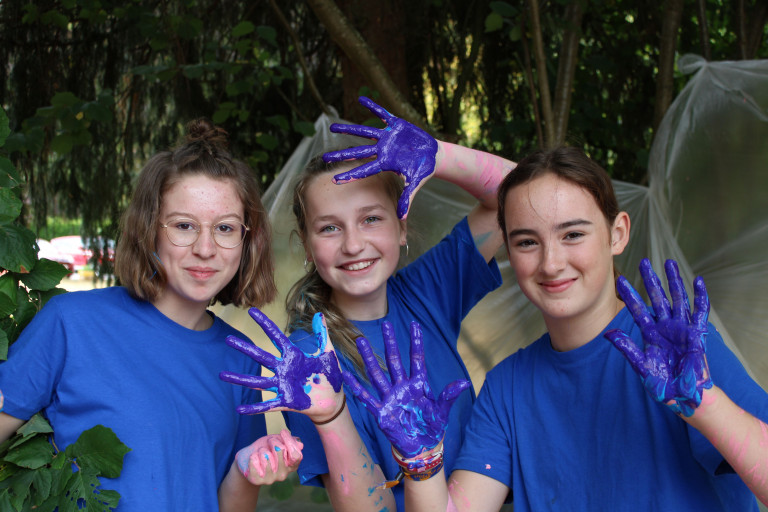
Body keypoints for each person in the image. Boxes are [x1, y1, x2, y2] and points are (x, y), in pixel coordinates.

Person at [344, 146, 768, 511]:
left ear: (617, 233)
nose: (550, 263)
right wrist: (421, 464)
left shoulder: (681, 355)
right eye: (527, 241)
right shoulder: (506, 387)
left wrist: (706, 405)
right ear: (508, 248)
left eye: (573, 235)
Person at [220, 96, 516, 511]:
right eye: (329, 228)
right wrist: (331, 414)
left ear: (401, 226)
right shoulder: (307, 360)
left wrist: (439, 155)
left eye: (371, 219)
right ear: (306, 244)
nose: (354, 244)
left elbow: (520, 198)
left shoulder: (428, 290)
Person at [0, 119, 302, 511]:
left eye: (225, 228)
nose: (206, 248)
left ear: (246, 241)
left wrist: (248, 470)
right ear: (149, 229)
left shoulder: (240, 354)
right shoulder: (71, 324)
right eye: (183, 226)